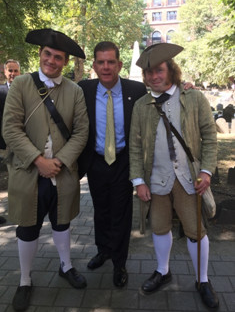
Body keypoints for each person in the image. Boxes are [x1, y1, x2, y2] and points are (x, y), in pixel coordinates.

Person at [2, 28, 89, 311]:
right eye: (47, 54)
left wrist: (59, 162)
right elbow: (11, 129)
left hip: (62, 173)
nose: (51, 60)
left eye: (58, 57)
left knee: (62, 222)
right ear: (40, 54)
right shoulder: (21, 85)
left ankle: (65, 266)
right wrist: (39, 160)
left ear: (65, 62)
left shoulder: (75, 91)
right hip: (29, 172)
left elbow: (81, 132)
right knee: (28, 227)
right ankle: (25, 280)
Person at [129, 43, 219, 309]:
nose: (153, 76)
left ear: (171, 70)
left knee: (195, 231)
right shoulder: (142, 105)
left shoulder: (193, 97)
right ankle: (163, 270)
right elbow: (135, 146)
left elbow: (210, 138)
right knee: (159, 227)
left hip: (189, 178)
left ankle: (202, 280)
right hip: (155, 180)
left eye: (158, 70)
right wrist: (138, 181)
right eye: (148, 72)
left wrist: (206, 171)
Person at [78, 41, 147, 287]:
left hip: (123, 161)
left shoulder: (137, 90)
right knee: (101, 209)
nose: (106, 67)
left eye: (111, 62)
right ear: (94, 65)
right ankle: (103, 250)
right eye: (101, 62)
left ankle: (119, 263)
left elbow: (161, 91)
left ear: (119, 64)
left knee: (121, 213)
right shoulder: (83, 89)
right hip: (95, 161)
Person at [0, 59, 21, 225]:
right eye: (10, 71)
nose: (12, 74)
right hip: (3, 143)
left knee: (18, 176)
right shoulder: (0, 91)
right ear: (5, 72)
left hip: (21, 142)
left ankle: (19, 210)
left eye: (15, 70)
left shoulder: (26, 90)